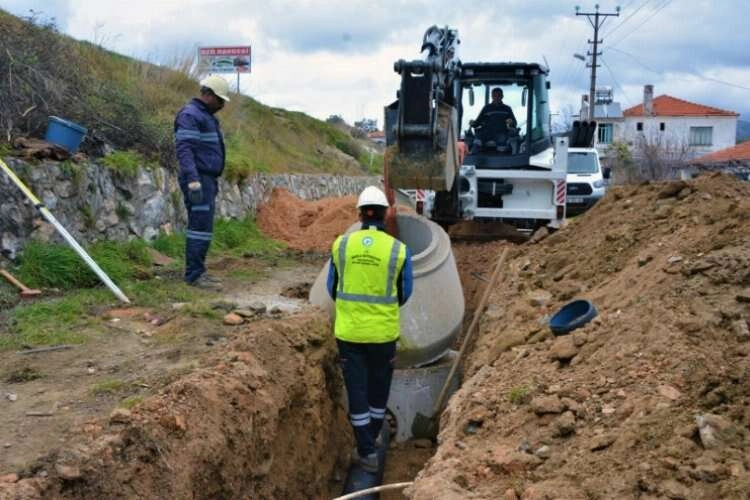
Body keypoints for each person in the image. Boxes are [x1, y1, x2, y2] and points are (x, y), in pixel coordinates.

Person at [326, 186, 413, 473]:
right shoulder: (398, 250)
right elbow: (405, 292)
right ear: (387, 214)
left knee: (357, 391)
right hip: (383, 334)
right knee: (378, 391)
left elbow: (331, 288)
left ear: (360, 214)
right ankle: (372, 440)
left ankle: (365, 450)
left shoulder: (341, 245)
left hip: (349, 333)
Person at [174, 75, 230, 289]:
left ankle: (198, 272)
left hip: (207, 179)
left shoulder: (205, 116)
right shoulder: (191, 115)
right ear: (208, 95)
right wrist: (193, 180)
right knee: (199, 226)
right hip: (198, 179)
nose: (223, 105)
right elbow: (184, 149)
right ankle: (194, 276)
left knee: (203, 226)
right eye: (220, 100)